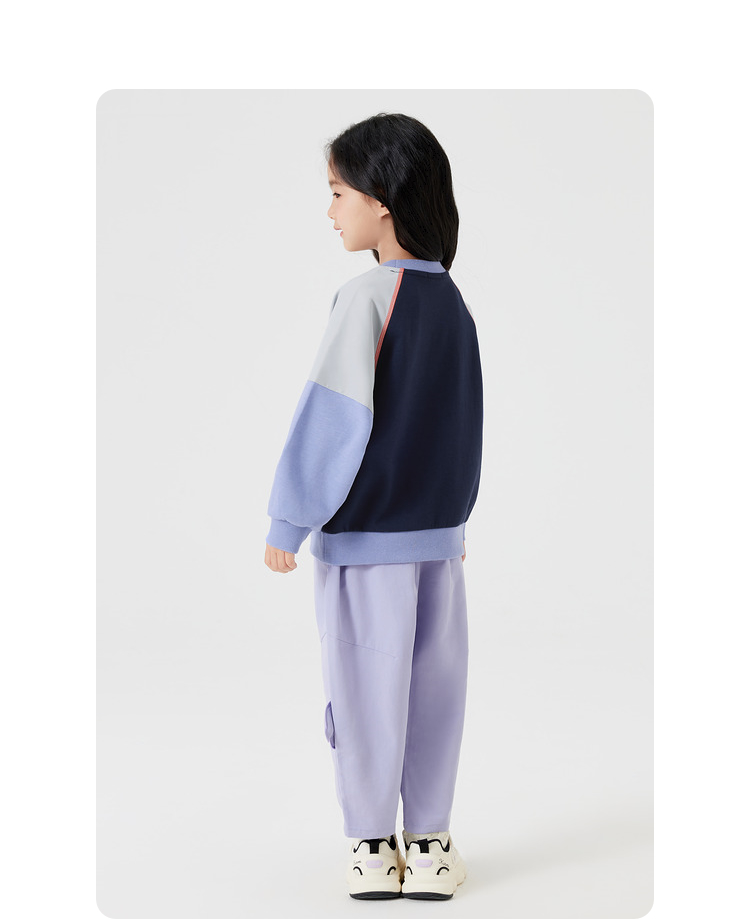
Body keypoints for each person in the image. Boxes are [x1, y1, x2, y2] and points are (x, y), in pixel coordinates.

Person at [264, 112, 483, 901]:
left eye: (338, 192)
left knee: (365, 692)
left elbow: (333, 420)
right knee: (435, 694)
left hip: (366, 546)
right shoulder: (453, 303)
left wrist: (289, 519)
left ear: (380, 199)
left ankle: (369, 846)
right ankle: (429, 845)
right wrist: (454, 520)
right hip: (438, 547)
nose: (331, 211)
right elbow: (463, 423)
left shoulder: (366, 298)